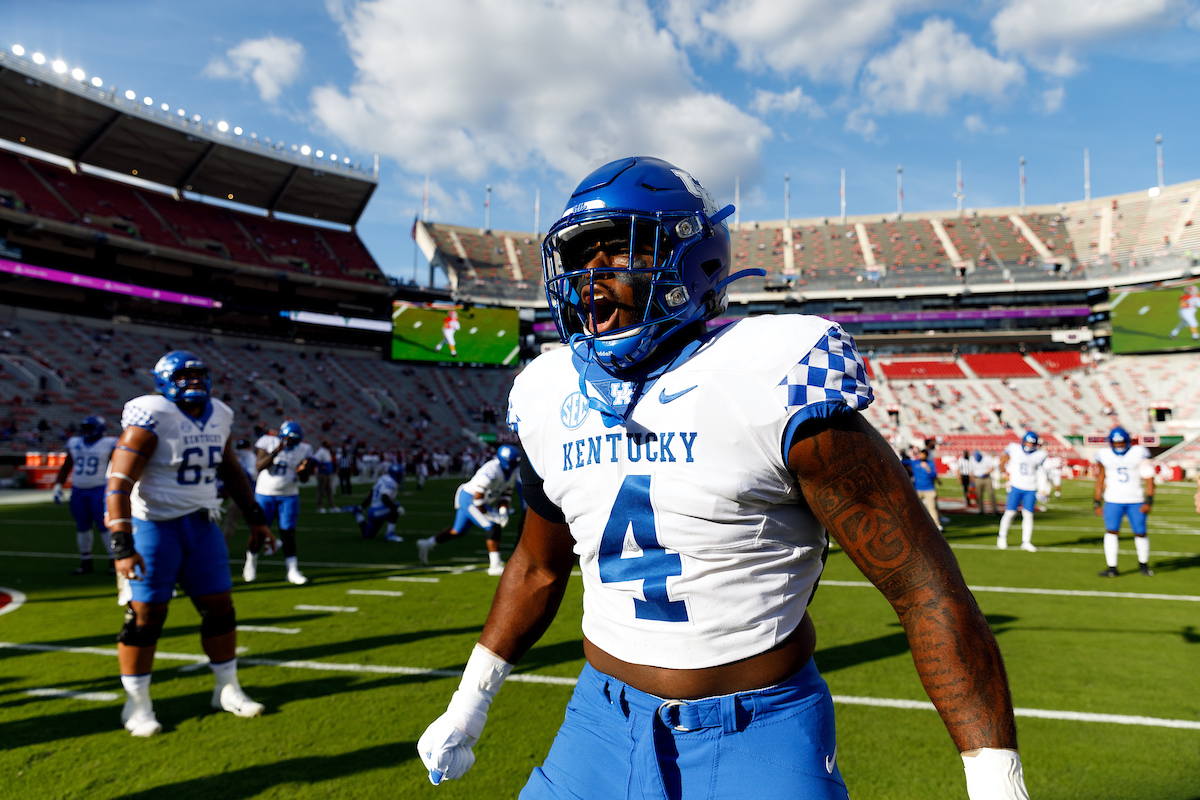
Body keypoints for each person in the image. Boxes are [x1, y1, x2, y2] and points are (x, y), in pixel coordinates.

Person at [416, 157, 1028, 799]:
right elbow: (538, 566)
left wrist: (997, 784)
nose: (590, 278)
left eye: (616, 252)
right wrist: (470, 703)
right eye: (579, 258)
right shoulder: (548, 392)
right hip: (598, 724)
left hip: (757, 732)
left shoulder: (771, 374)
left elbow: (923, 587)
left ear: (693, 260)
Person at [104, 350, 277, 737]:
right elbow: (118, 482)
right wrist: (121, 543)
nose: (193, 383)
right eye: (184, 376)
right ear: (163, 382)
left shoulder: (220, 413)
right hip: (154, 526)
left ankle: (227, 688)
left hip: (200, 523)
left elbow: (231, 469)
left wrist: (257, 520)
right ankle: (138, 704)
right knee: (146, 615)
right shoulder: (152, 416)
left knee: (220, 607)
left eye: (199, 376)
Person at [416, 444, 520, 577]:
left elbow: (506, 493)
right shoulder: (492, 469)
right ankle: (495, 565)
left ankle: (427, 543)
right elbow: (478, 498)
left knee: (457, 531)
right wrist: (490, 514)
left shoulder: (512, 471)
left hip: (479, 500)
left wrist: (503, 511)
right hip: (469, 498)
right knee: (493, 526)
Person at [245, 419, 313, 586]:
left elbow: (304, 479)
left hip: (289, 495)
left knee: (288, 533)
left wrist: (303, 471)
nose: (291, 443)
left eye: (294, 441)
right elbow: (259, 465)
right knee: (258, 532)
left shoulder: (305, 449)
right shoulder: (268, 442)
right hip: (265, 494)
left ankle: (292, 570)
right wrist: (276, 451)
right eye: (289, 440)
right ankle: (250, 563)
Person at [53, 415, 118, 575]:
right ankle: (86, 561)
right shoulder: (75, 443)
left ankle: (113, 560)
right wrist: (58, 485)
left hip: (100, 489)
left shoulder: (109, 444)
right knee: (82, 527)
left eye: (89, 428)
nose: (86, 431)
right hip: (79, 490)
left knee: (105, 526)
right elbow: (67, 464)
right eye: (85, 428)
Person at [1094, 427, 1155, 577]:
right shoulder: (1104, 455)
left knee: (1140, 532)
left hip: (1136, 499)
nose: (1119, 445)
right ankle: (1112, 568)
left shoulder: (1138, 453)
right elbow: (1100, 478)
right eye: (1116, 443)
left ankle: (1143, 565)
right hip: (1113, 499)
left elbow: (1149, 478)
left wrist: (1149, 501)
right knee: (1111, 532)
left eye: (1121, 442)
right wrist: (1097, 502)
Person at [998, 431, 1047, 552]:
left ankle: (1026, 541)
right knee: (1010, 513)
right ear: (1023, 441)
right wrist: (1004, 473)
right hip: (1016, 486)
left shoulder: (1040, 454)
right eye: (1028, 442)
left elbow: (1042, 472)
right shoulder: (1014, 448)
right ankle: (1002, 536)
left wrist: (1043, 489)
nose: (1029, 445)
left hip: (1030, 488)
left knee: (1028, 515)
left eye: (1032, 443)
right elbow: (1003, 460)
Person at [354, 462, 406, 542]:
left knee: (368, 535)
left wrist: (362, 506)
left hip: (373, 510)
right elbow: (384, 498)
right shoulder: (391, 483)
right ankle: (390, 534)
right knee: (395, 506)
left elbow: (371, 493)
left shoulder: (383, 478)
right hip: (377, 512)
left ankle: (358, 514)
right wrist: (396, 507)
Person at [220, 439, 258, 546]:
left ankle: (223, 545)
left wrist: (238, 472)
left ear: (248, 448)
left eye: (243, 449)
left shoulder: (251, 458)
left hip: (245, 494)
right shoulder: (242, 458)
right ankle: (270, 540)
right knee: (253, 523)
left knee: (230, 521)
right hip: (244, 493)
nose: (241, 451)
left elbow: (250, 475)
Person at [903, 449, 942, 531]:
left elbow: (934, 475)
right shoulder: (915, 462)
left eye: (923, 454)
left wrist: (927, 468)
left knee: (932, 508)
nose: (921, 456)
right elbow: (902, 461)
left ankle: (937, 525)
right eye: (920, 454)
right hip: (918, 489)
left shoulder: (930, 464)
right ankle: (913, 524)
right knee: (915, 508)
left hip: (929, 489)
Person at [970, 450, 999, 515]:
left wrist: (985, 473)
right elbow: (971, 471)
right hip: (977, 479)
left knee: (991, 494)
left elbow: (992, 468)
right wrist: (971, 482)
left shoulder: (987, 458)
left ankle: (995, 510)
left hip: (986, 478)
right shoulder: (972, 460)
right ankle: (981, 510)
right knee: (979, 495)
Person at [312, 438, 335, 513]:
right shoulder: (321, 451)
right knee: (321, 490)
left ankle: (332, 506)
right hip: (322, 474)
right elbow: (315, 460)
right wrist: (321, 466)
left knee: (329, 490)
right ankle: (319, 506)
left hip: (327, 473)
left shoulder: (326, 451)